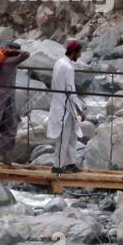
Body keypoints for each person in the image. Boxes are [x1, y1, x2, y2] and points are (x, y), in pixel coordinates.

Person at [0, 43, 29, 165]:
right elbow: (26, 54)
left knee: (9, 130)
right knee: (10, 133)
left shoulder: (2, 60)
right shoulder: (11, 61)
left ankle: (7, 161)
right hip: (6, 100)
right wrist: (15, 52)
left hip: (2, 99)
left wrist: (7, 51)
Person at [46, 39, 85, 174]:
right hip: (64, 107)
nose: (80, 56)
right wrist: (81, 111)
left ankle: (70, 163)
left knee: (71, 136)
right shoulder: (67, 67)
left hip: (61, 105)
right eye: (79, 53)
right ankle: (57, 165)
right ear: (73, 52)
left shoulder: (59, 62)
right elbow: (70, 90)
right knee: (64, 137)